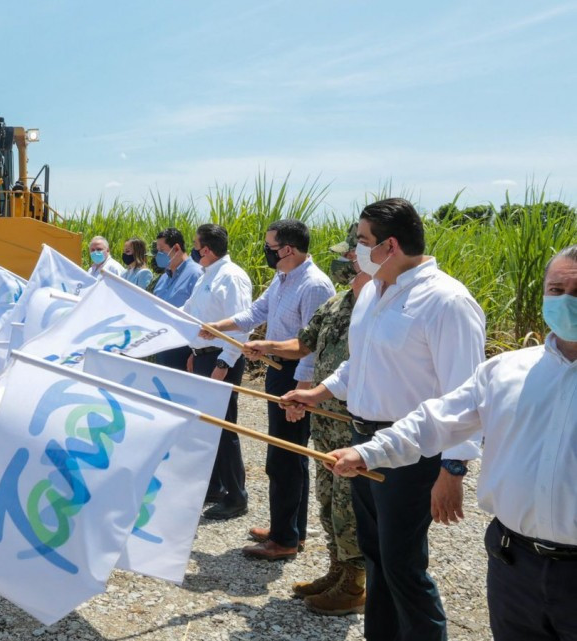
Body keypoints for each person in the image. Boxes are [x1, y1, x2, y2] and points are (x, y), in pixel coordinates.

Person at [327, 244, 577, 641]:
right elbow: (436, 420)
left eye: (576, 293)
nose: (566, 303)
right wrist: (366, 452)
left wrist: (452, 471)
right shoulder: (506, 371)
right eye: (556, 290)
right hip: (514, 565)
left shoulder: (447, 301)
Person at [282, 198, 485, 641]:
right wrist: (321, 390)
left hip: (411, 452)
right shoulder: (373, 291)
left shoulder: (446, 301)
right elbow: (363, 360)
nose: (355, 250)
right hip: (362, 441)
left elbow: (465, 393)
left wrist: (453, 468)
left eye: (362, 241)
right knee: (375, 556)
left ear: (390, 245)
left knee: (403, 565)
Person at [242, 223, 368, 615]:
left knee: (351, 503)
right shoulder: (339, 303)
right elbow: (304, 343)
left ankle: (354, 583)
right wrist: (267, 345)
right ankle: (337, 569)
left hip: (354, 420)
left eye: (350, 255)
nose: (343, 263)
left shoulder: (374, 307)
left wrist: (307, 388)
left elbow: (356, 365)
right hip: (326, 415)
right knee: (329, 496)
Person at [200, 219, 335, 561]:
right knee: (288, 456)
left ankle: (284, 539)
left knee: (285, 458)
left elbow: (312, 347)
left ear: (287, 249)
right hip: (280, 372)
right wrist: (220, 327)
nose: (266, 252)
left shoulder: (315, 285)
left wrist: (301, 393)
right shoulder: (283, 277)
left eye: (270, 247)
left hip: (296, 376)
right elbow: (256, 311)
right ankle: (290, 529)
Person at [181, 224, 253, 520]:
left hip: (220, 361)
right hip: (203, 358)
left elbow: (242, 326)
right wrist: (193, 351)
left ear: (206, 249)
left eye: (196, 245)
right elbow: (190, 315)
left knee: (224, 428)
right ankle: (214, 486)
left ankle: (236, 496)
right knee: (207, 426)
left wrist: (224, 364)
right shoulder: (206, 275)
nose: (195, 250)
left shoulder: (232, 277)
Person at [152, 227, 202, 370]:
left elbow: (200, 314)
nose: (158, 255)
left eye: (162, 250)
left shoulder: (196, 274)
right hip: (162, 345)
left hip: (183, 350)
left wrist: (194, 353)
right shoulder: (163, 277)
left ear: (176, 248)